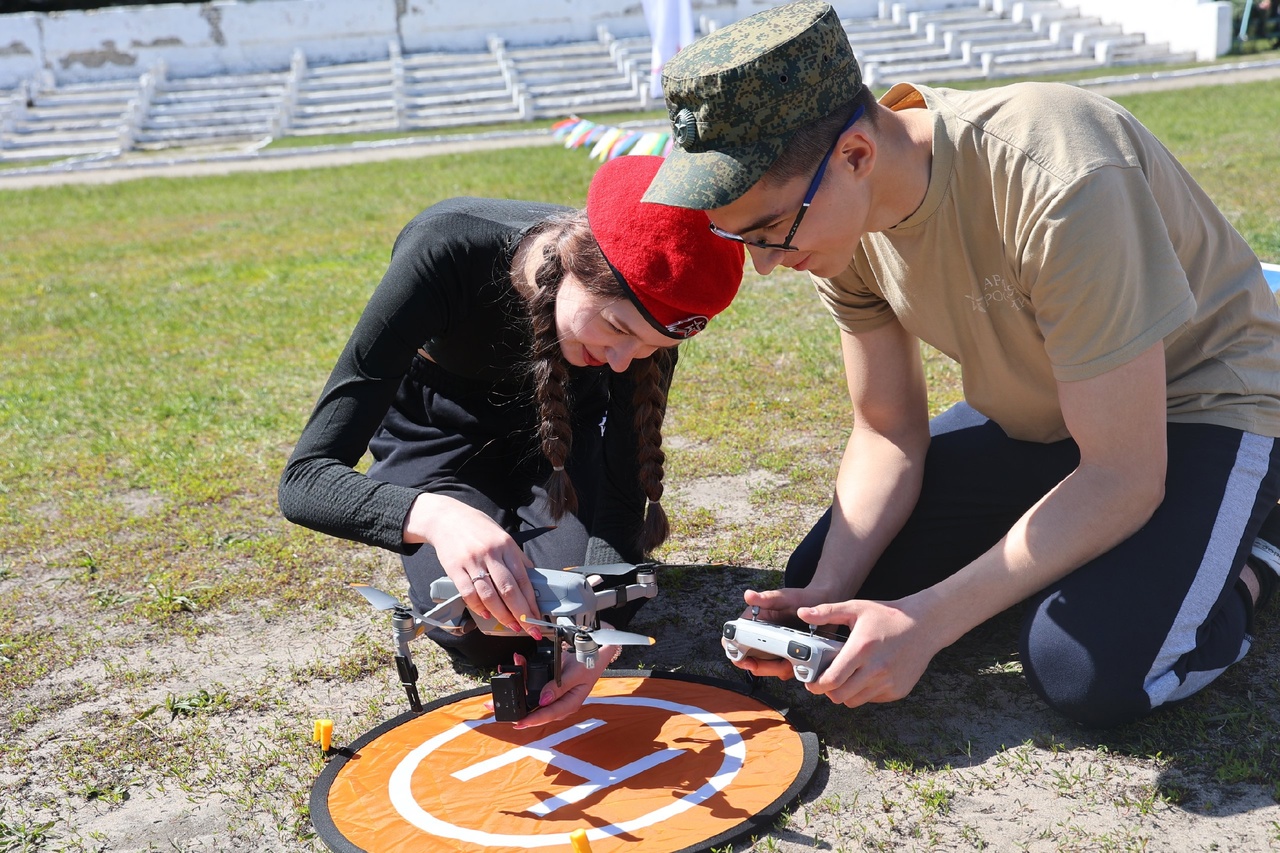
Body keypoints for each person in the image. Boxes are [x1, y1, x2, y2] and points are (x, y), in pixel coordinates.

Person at [642, 0, 1280, 728]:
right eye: (738, 235)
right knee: (834, 583)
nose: (763, 265)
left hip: (1201, 400)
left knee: (1087, 669)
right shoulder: (834, 215)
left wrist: (929, 621)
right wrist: (824, 594)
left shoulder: (1059, 176)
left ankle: (1256, 552)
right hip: (1049, 414)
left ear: (856, 155)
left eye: (769, 230)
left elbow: (1124, 473)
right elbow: (886, 431)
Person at [279, 155, 744, 726]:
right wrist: (438, 518)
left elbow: (624, 486)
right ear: (573, 265)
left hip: (557, 446)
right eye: (618, 329)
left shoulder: (647, 319)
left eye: (647, 348)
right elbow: (305, 479)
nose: (622, 361)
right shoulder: (446, 247)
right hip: (435, 442)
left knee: (564, 610)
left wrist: (590, 631)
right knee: (481, 629)